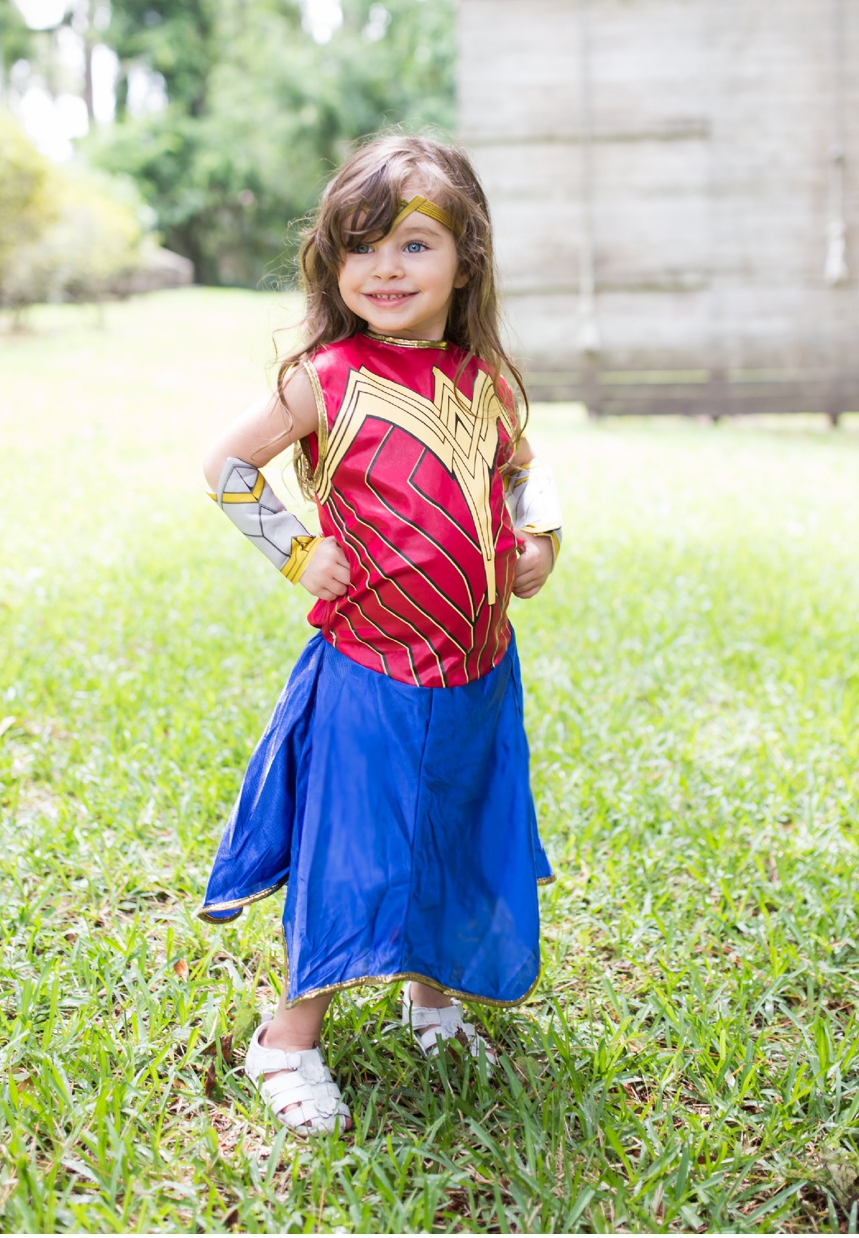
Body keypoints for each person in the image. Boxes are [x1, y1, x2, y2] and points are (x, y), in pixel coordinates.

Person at [196, 135, 562, 1137]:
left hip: (479, 670)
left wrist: (540, 539)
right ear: (330, 264)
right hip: (372, 668)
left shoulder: (482, 377)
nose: (383, 269)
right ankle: (285, 1034)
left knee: (452, 826)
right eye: (358, 248)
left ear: (463, 258)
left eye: (411, 244)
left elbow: (525, 472)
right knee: (350, 847)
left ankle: (430, 997)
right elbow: (225, 468)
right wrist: (293, 549)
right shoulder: (322, 376)